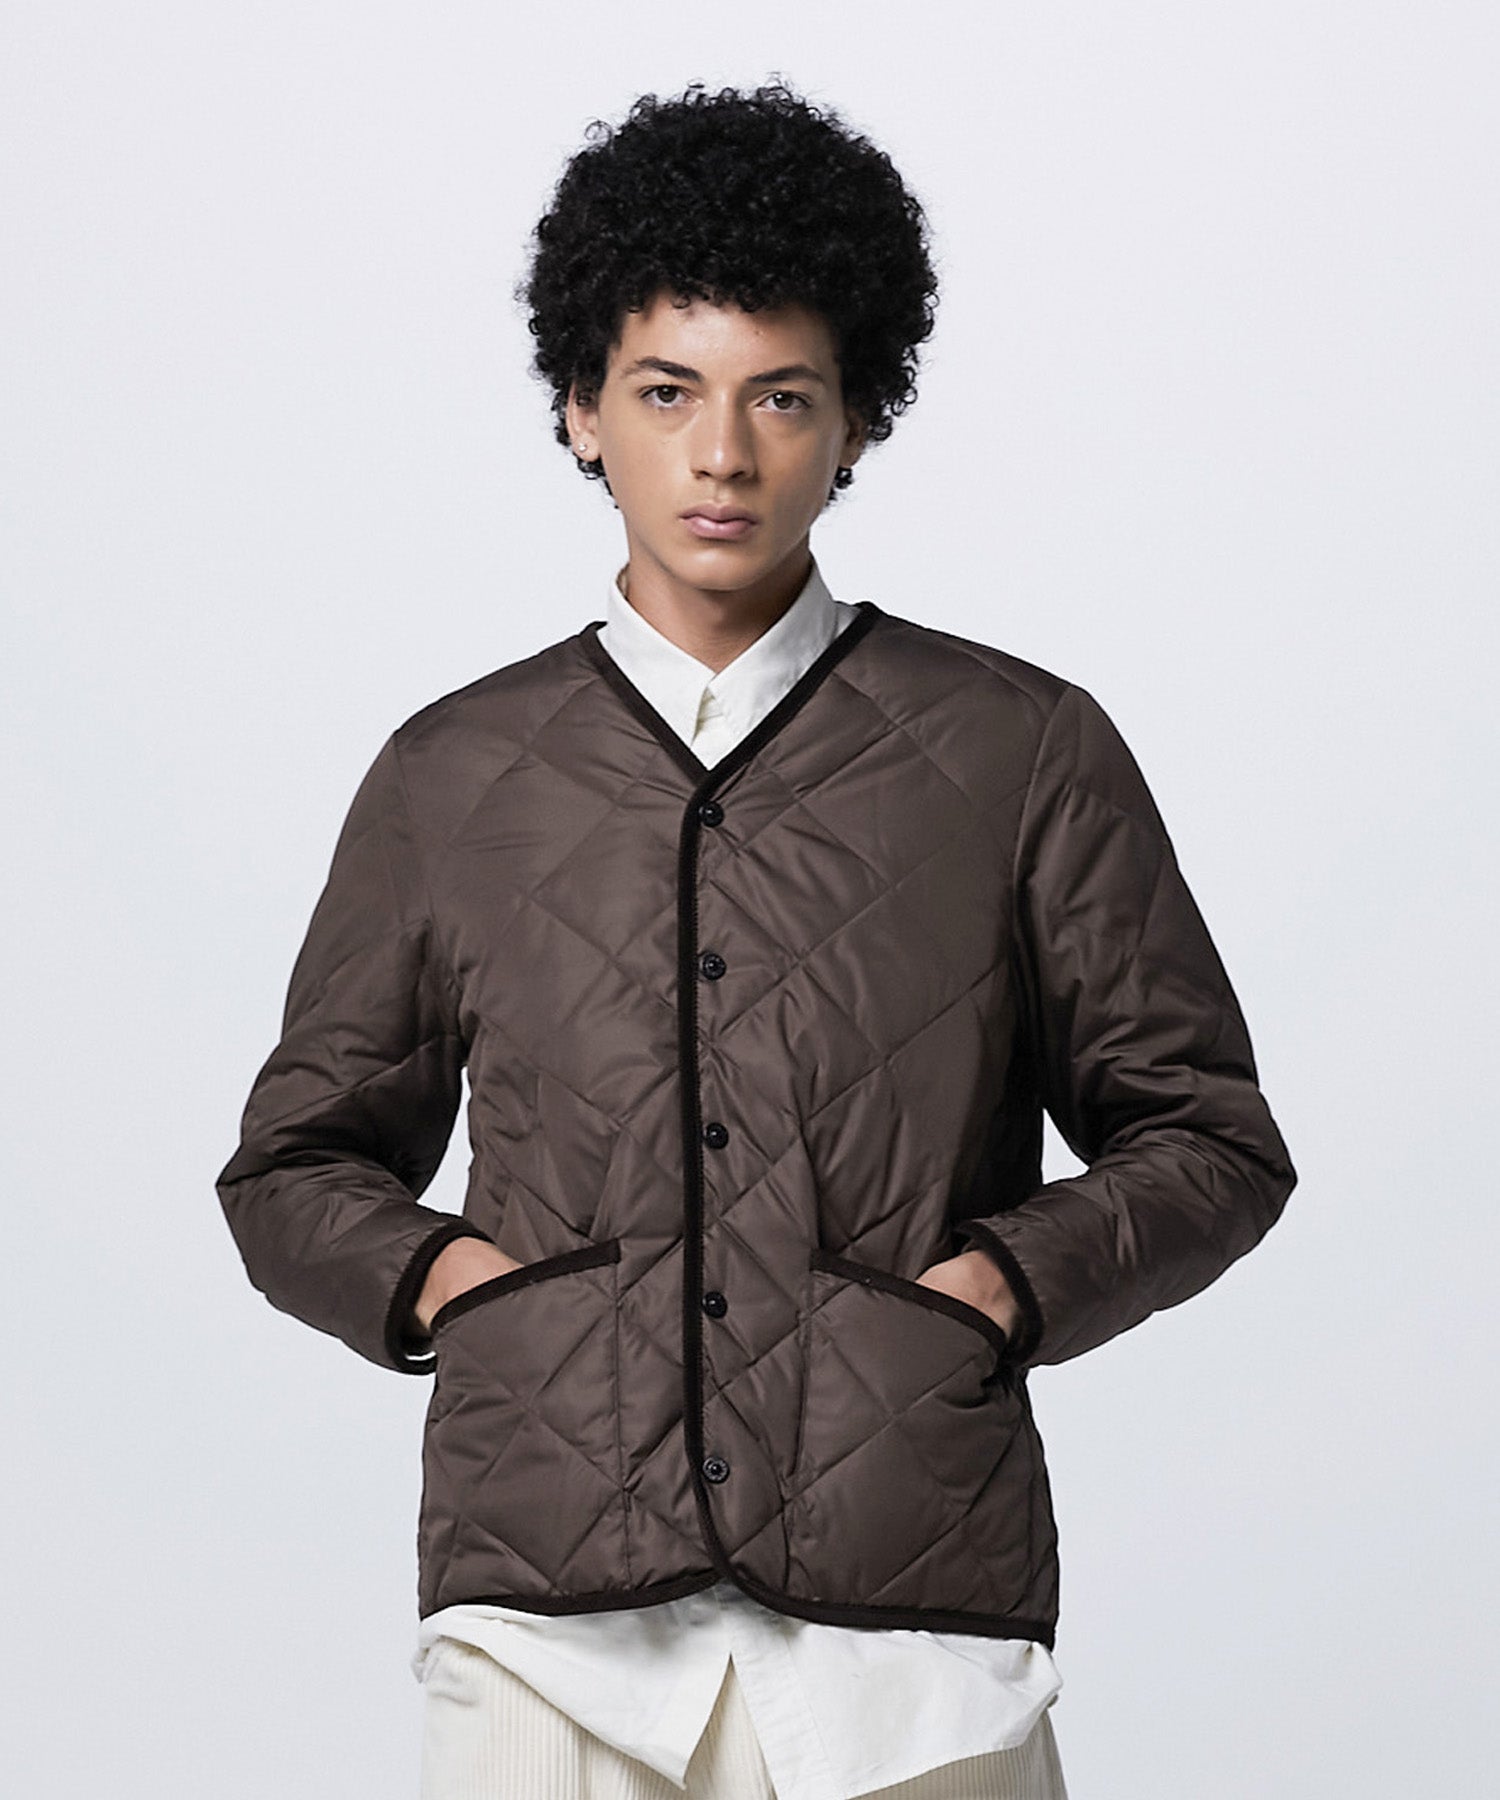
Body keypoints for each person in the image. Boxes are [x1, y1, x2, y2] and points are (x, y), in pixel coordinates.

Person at [216, 80, 1296, 1800]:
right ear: (581, 410)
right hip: (546, 1633)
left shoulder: (1019, 749)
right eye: (666, 392)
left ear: (856, 422)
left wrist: (1001, 1285)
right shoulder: (455, 772)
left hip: (914, 1643)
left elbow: (1209, 1141)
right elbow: (293, 1167)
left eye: (781, 396)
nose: (722, 455)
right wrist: (450, 1288)